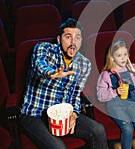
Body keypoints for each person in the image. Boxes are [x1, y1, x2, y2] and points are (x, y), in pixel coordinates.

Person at [20, 18, 107, 149]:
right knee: (59, 147)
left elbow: (76, 95)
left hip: (62, 115)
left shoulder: (84, 64)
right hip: (35, 114)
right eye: (68, 37)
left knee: (98, 130)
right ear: (59, 39)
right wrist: (51, 73)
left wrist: (74, 114)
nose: (73, 42)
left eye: (77, 38)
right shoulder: (44, 48)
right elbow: (39, 64)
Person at [96, 39, 135, 149]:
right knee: (127, 127)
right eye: (119, 55)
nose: (123, 58)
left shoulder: (133, 68)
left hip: (130, 103)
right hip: (114, 104)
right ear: (112, 58)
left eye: (125, 54)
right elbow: (100, 96)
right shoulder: (106, 74)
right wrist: (115, 91)